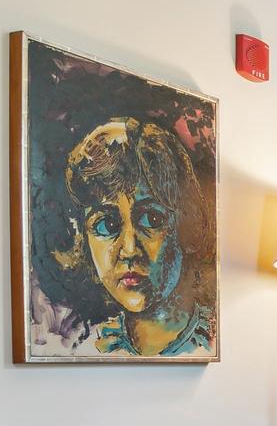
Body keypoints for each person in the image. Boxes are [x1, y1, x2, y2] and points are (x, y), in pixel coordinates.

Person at [62, 117, 213, 356]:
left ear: (188, 226)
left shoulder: (210, 341)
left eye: (151, 220)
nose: (130, 250)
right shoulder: (91, 346)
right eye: (107, 225)